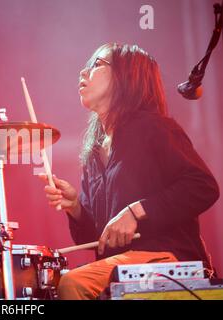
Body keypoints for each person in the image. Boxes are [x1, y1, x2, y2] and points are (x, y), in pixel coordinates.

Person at [40, 43, 220, 300]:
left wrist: (136, 211)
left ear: (127, 77)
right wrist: (76, 208)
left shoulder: (154, 128)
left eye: (97, 64)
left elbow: (203, 186)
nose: (83, 71)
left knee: (73, 284)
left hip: (168, 258)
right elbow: (98, 238)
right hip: (122, 264)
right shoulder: (93, 153)